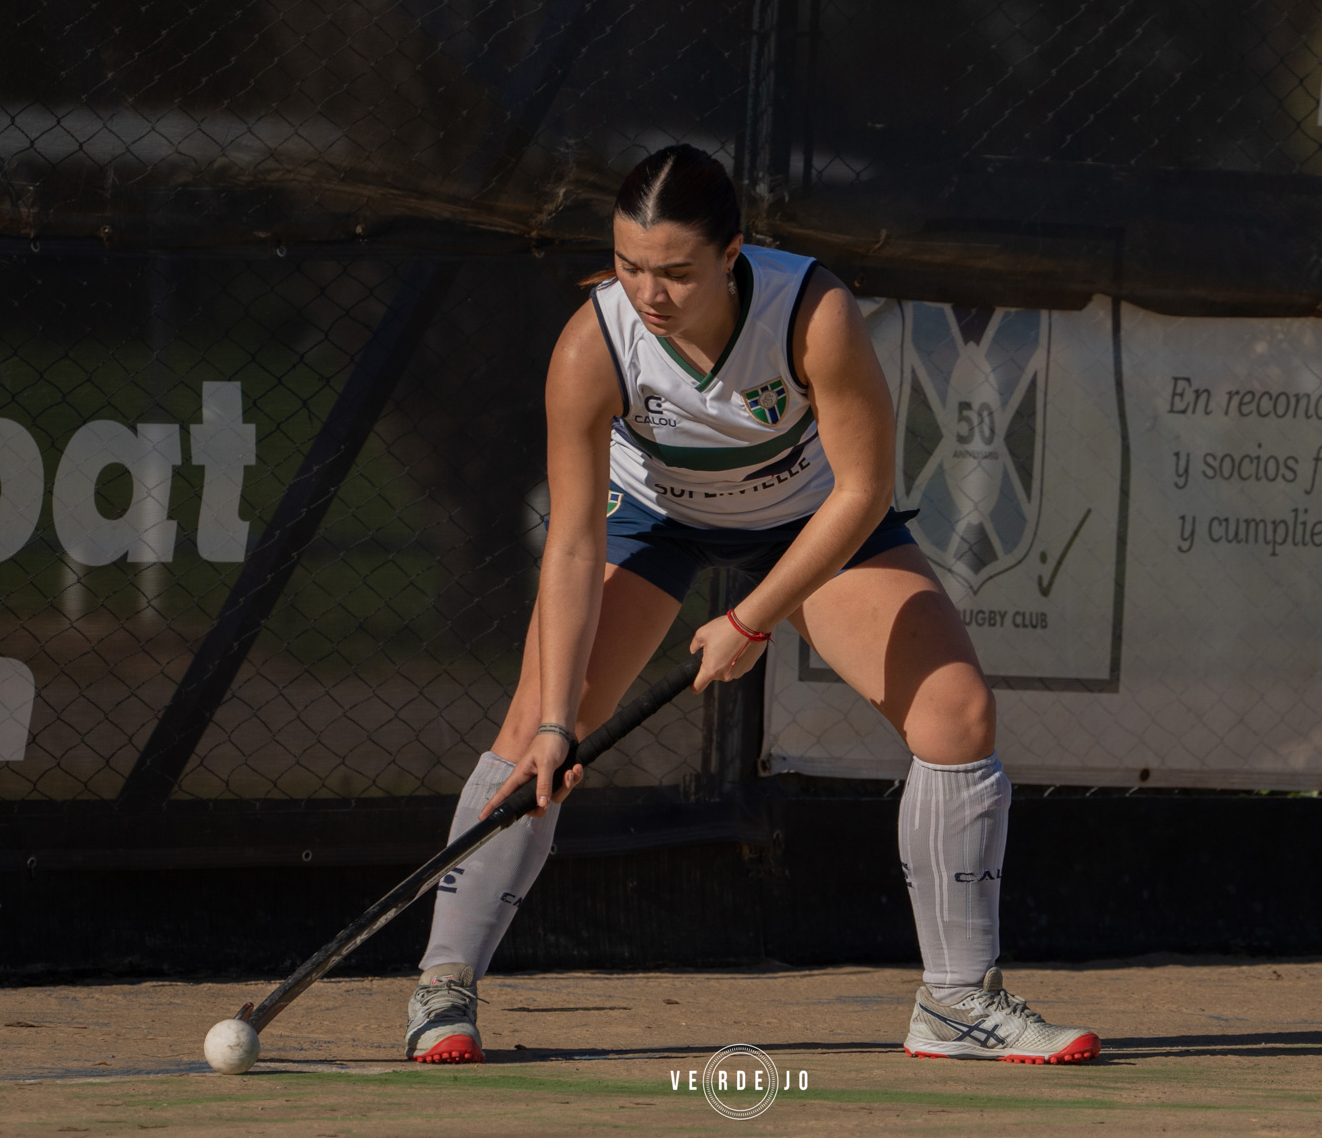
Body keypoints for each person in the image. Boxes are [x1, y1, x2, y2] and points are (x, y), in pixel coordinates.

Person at [403, 145, 1099, 1066]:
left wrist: (750, 619)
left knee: (957, 713)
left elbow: (862, 489)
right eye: (629, 267)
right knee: (532, 722)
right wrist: (559, 723)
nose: (650, 294)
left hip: (808, 520)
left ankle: (957, 1002)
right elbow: (572, 545)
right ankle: (443, 987)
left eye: (677, 273)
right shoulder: (591, 344)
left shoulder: (812, 311)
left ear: (733, 253)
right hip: (649, 521)